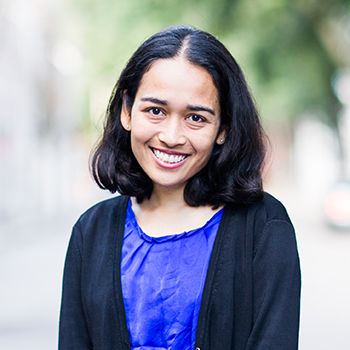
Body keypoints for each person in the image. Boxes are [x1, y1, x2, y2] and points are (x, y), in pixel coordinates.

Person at [59, 25, 301, 350]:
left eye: (196, 118)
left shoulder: (263, 227)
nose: (172, 136)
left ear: (223, 129)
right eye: (155, 111)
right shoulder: (91, 233)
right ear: (127, 112)